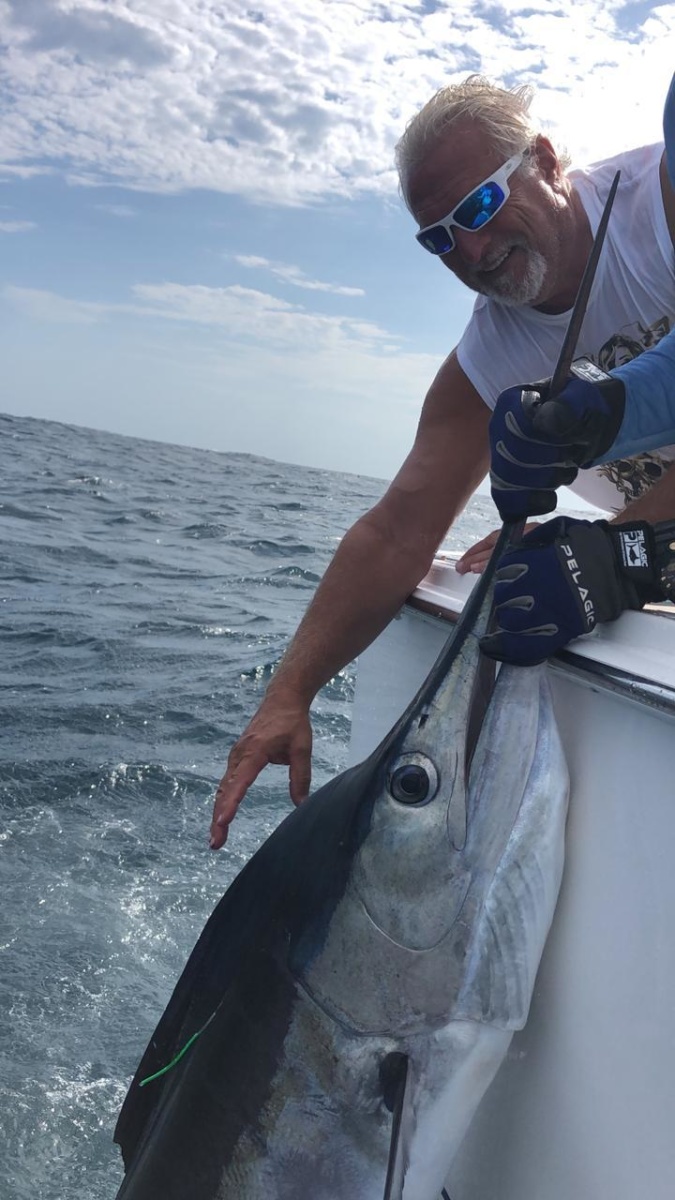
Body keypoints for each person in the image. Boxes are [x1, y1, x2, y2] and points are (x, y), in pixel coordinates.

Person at [210, 71, 675, 849]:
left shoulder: (658, 208)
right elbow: (398, 530)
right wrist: (288, 694)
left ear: (546, 161)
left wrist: (611, 546)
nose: (471, 250)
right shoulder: (486, 361)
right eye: (439, 238)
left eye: (480, 205)